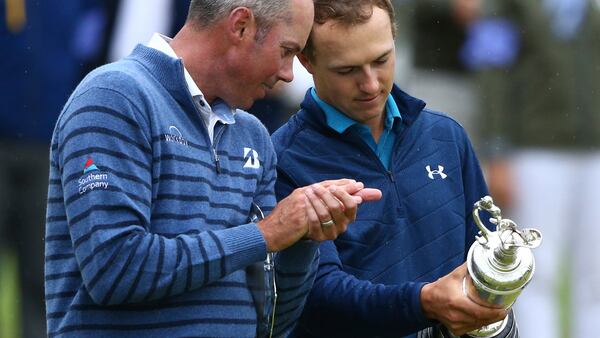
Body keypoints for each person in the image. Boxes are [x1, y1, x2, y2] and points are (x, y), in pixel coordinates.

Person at [44, 0, 382, 337]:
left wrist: (303, 240)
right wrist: (266, 234)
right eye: (286, 50)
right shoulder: (113, 97)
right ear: (241, 27)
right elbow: (114, 271)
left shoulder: (253, 136)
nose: (288, 73)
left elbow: (270, 324)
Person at [271, 1, 511, 337]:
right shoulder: (284, 160)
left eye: (381, 60)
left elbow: (486, 253)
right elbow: (316, 297)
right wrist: (423, 304)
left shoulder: (446, 136)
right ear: (306, 61)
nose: (370, 84)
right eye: (347, 70)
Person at [464, 1, 600, 337]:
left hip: (594, 149)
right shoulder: (506, 6)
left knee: (596, 276)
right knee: (536, 272)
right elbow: (491, 69)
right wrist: (497, 151)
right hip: (534, 150)